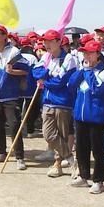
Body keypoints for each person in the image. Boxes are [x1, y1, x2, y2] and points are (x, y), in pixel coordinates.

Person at [67, 40, 104, 194]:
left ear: (98, 54)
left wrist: (87, 72)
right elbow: (71, 84)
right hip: (81, 117)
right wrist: (82, 70)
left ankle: (99, 180)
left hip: (97, 118)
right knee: (81, 148)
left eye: (89, 52)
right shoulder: (84, 70)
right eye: (84, 52)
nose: (86, 55)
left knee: (98, 150)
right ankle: (83, 175)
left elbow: (97, 90)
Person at [32, 29, 78, 178]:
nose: (47, 44)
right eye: (45, 41)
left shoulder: (68, 59)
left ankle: (58, 164)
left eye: (50, 41)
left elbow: (60, 82)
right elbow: (35, 72)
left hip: (62, 102)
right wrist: (45, 76)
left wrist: (44, 80)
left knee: (63, 135)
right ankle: (71, 160)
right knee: (48, 134)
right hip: (47, 101)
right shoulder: (46, 57)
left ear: (59, 42)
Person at [0, 24, 30, 170]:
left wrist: (12, 72)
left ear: (5, 36)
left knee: (14, 125)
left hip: (10, 95)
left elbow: (26, 70)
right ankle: (2, 152)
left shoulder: (14, 52)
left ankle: (19, 157)